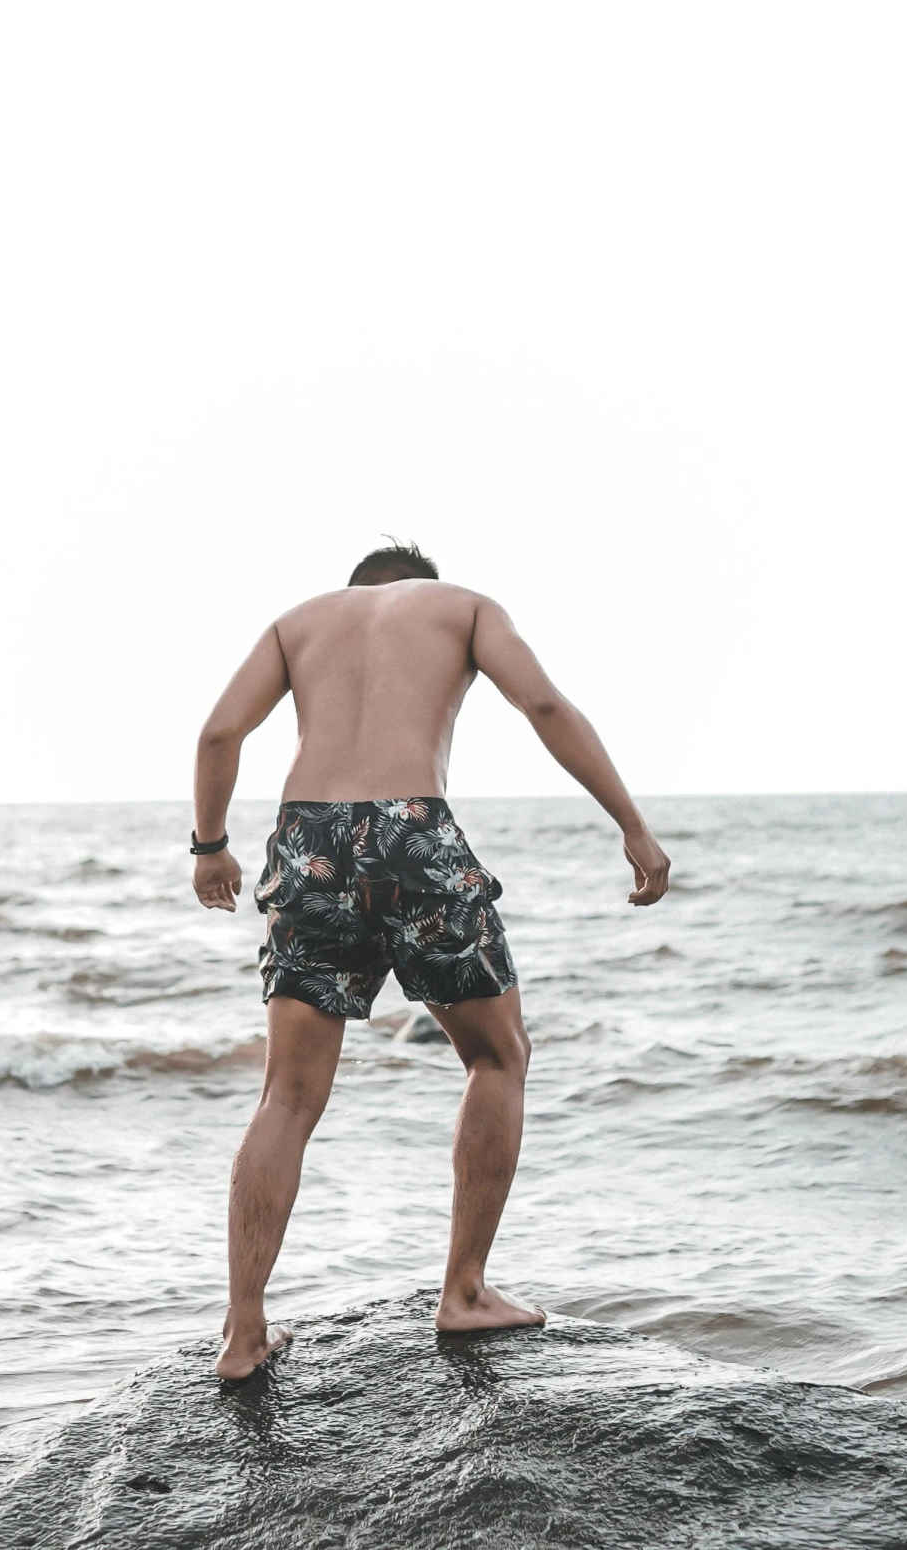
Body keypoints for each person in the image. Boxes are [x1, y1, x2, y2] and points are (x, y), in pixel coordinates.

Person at [190, 541, 672, 1380]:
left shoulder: (297, 623)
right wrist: (631, 823)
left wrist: (210, 847)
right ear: (421, 582)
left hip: (309, 842)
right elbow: (547, 708)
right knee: (498, 1054)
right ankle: (465, 1291)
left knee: (288, 1095)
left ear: (358, 592)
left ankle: (242, 1334)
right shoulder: (464, 606)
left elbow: (220, 731)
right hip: (414, 833)